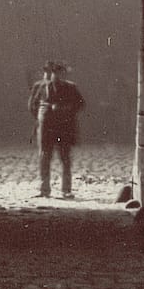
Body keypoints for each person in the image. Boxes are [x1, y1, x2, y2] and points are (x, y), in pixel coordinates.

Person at [28, 60, 85, 199]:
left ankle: (66, 189)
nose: (57, 76)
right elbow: (32, 105)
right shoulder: (40, 87)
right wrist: (43, 115)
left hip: (64, 127)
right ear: (51, 73)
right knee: (44, 157)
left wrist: (66, 110)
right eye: (55, 73)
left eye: (60, 73)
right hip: (46, 127)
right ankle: (44, 189)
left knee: (65, 157)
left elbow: (80, 104)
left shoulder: (71, 88)